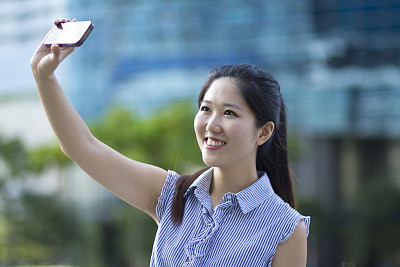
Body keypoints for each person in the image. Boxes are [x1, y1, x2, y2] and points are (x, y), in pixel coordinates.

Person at [31, 19, 310, 267]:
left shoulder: (285, 228)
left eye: (229, 113)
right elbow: (83, 147)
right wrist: (44, 76)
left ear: (263, 132)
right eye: (205, 109)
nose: (211, 124)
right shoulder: (173, 195)